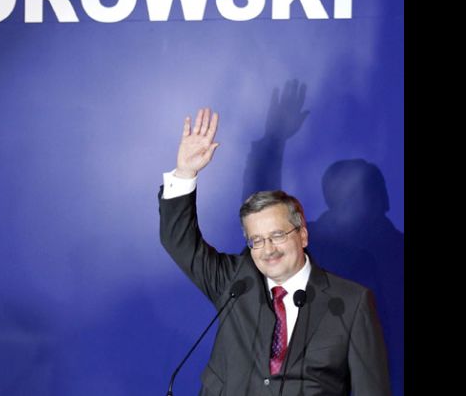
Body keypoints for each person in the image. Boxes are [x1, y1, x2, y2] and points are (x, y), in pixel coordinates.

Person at [159, 107, 391, 396]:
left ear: (303, 234)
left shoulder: (351, 302)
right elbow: (179, 241)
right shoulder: (234, 282)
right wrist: (185, 172)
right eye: (256, 240)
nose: (267, 249)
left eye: (277, 235)